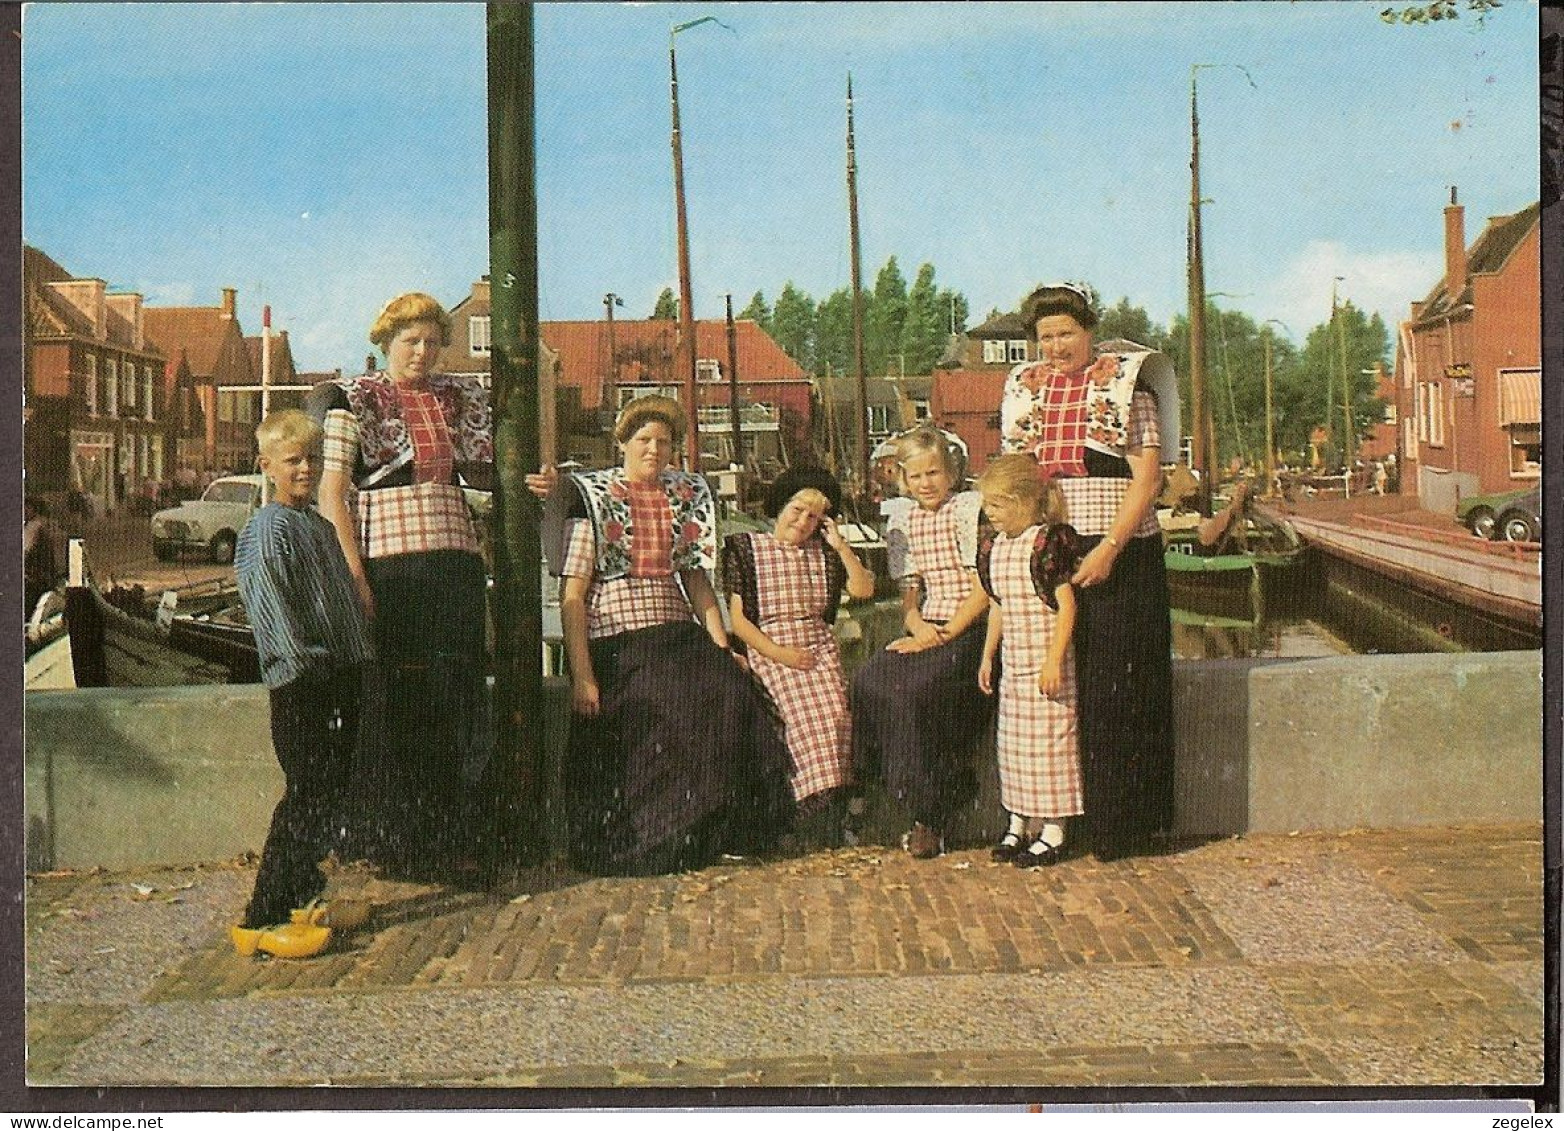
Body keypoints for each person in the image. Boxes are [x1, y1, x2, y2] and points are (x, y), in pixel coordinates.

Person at [542, 395, 793, 875]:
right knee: (666, 701)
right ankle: (659, 834)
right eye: (644, 440)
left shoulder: (683, 496)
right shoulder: (594, 501)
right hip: (619, 638)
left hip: (675, 631)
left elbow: (696, 581)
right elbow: (572, 599)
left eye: (664, 442)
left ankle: (717, 829)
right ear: (623, 443)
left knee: (729, 691)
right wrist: (582, 676)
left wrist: (723, 647)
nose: (654, 450)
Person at [307, 292, 495, 884]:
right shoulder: (354, 400)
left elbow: (489, 476)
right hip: (392, 571)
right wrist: (355, 574)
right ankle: (396, 843)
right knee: (399, 703)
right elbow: (332, 492)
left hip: (454, 566)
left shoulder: (455, 399)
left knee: (455, 698)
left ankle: (448, 841)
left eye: (433, 342)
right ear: (385, 344)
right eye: (411, 341)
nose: (422, 352)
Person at [1000, 282, 1177, 861]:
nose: (1055, 345)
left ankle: (1123, 827)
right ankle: (1060, 818)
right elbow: (1020, 480)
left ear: (1089, 332)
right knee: (1065, 690)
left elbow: (1148, 480)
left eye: (1066, 333)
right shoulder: (1026, 391)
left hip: (1122, 552)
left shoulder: (1129, 387)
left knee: (1119, 686)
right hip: (1058, 551)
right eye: (1045, 336)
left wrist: (1110, 549)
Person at [231, 410, 375, 959]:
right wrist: (304, 670)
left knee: (328, 790)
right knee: (307, 792)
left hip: (342, 674)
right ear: (267, 466)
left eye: (312, 459)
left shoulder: (318, 526)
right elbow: (272, 611)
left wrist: (358, 661)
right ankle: (261, 914)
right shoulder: (267, 529)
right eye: (293, 460)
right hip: (304, 683)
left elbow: (339, 607)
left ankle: (303, 892)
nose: (306, 469)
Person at [851, 425, 993, 859]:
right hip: (928, 626)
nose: (925, 483)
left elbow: (984, 587)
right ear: (904, 481)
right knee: (868, 683)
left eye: (933, 473)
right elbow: (908, 592)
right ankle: (866, 791)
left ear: (950, 473)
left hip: (969, 629)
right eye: (916, 477)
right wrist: (915, 625)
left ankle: (931, 814)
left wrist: (945, 634)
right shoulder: (904, 519)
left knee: (914, 695)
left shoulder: (967, 512)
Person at [722, 466, 876, 847]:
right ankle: (802, 817)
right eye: (797, 511)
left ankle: (837, 817)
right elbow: (739, 623)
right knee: (798, 719)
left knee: (837, 715)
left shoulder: (823, 555)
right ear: (780, 506)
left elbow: (863, 590)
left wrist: (840, 545)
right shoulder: (745, 549)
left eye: (814, 517)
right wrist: (781, 655)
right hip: (771, 648)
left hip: (818, 647)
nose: (803, 522)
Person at [975, 455, 1083, 867]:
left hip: (1045, 663)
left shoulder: (1046, 543)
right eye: (988, 505)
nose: (991, 513)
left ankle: (1054, 827)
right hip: (1014, 664)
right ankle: (1019, 821)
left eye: (999, 505)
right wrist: (988, 654)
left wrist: (1055, 660)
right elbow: (998, 605)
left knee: (1052, 746)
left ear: (1024, 502)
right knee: (1015, 747)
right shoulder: (995, 548)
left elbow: (1067, 605)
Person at [23, 496, 61, 616]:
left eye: (25, 508)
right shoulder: (37, 524)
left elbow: (25, 552)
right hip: (42, 576)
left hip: (37, 578)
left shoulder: (35, 526)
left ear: (32, 509)